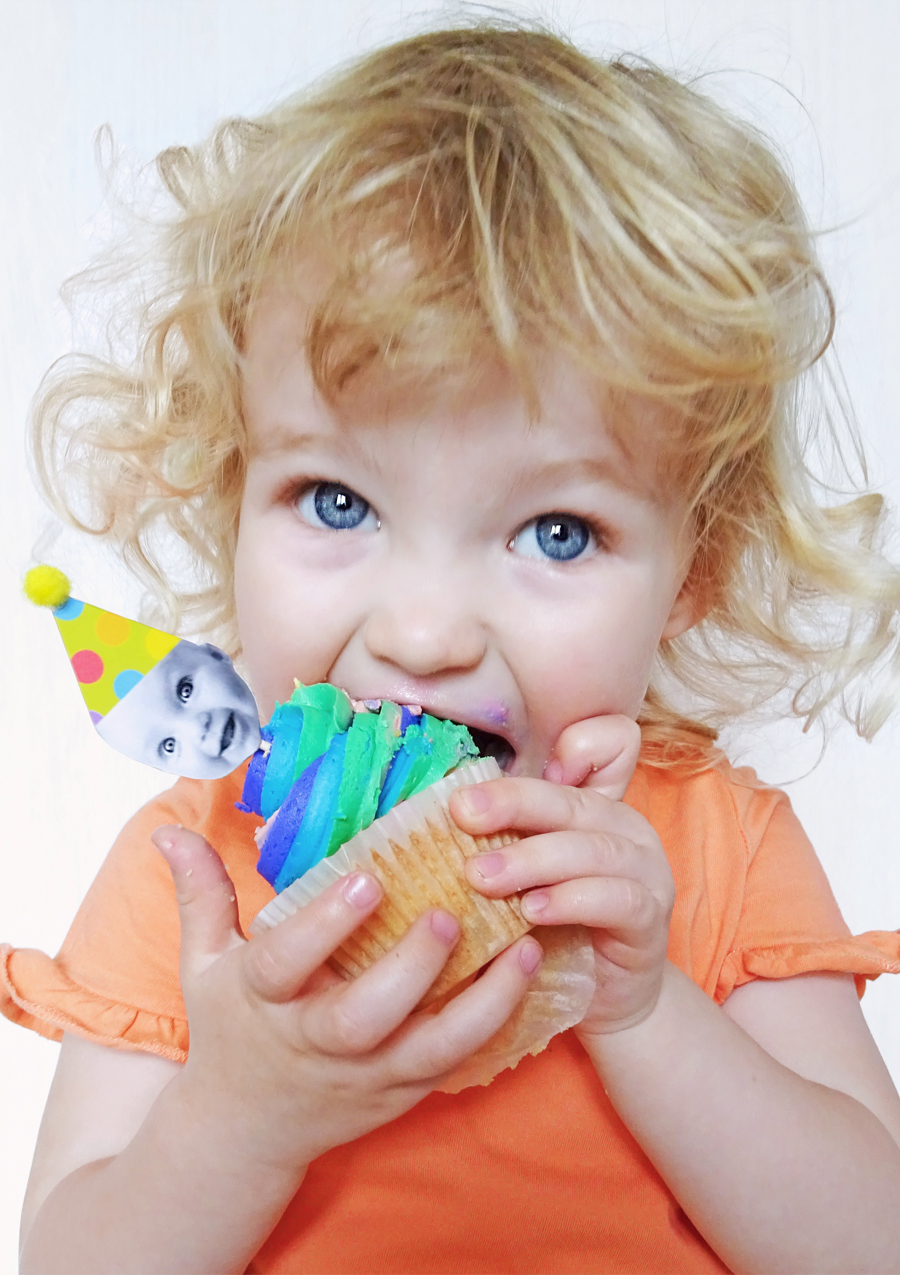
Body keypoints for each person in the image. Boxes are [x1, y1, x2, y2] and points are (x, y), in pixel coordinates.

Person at [4, 22, 900, 1274]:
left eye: (555, 531)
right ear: (229, 499)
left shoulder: (712, 853)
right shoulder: (187, 878)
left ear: (695, 570)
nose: (422, 634)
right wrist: (239, 1116)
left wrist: (644, 1011)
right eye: (337, 502)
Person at [95, 640, 261, 779]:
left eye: (185, 690)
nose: (196, 728)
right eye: (169, 746)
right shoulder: (189, 808)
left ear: (215, 655)